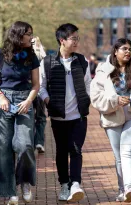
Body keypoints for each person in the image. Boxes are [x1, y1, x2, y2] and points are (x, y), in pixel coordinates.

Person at [90, 38, 131, 203]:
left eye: (130, 49)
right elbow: (95, 95)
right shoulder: (103, 70)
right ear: (115, 51)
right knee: (119, 156)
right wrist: (114, 101)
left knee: (127, 152)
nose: (128, 52)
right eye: (124, 49)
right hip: (112, 115)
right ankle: (122, 190)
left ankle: (129, 187)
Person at [0, 21, 39, 205]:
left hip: (25, 101)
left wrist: (28, 101)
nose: (31, 37)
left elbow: (36, 85)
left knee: (25, 145)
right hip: (3, 103)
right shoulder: (1, 54)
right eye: (28, 34)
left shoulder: (31, 56)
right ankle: (10, 193)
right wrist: (1, 97)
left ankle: (24, 182)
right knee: (3, 149)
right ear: (18, 35)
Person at [38, 23, 91, 202]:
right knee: (61, 151)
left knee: (76, 149)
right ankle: (64, 185)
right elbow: (41, 87)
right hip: (58, 116)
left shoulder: (83, 61)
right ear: (62, 40)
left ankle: (76, 183)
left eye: (77, 38)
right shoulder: (47, 62)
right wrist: (48, 101)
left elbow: (88, 85)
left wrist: (86, 101)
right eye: (73, 38)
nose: (76, 41)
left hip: (79, 116)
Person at [32, 36, 47, 153]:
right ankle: (39, 142)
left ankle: (32, 143)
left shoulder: (25, 54)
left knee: (30, 117)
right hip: (39, 91)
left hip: (30, 91)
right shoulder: (42, 55)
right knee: (41, 118)